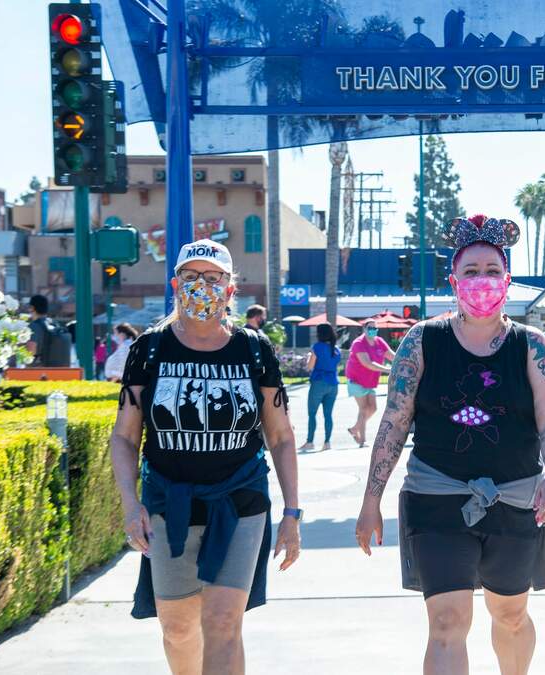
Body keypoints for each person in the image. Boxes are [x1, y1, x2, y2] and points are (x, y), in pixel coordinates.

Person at [355, 215, 545, 675]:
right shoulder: (422, 341)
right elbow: (394, 422)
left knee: (510, 615)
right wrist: (372, 500)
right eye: (471, 271)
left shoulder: (532, 346)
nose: (482, 280)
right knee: (447, 621)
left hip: (515, 498)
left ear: (507, 280)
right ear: (453, 281)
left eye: (492, 270)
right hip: (435, 496)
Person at [109, 238, 301, 674]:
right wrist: (130, 502)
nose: (202, 286)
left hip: (240, 500)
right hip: (168, 502)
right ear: (175, 285)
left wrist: (292, 512)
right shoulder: (150, 349)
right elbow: (124, 437)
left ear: (230, 289)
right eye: (192, 276)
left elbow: (281, 437)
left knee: (223, 622)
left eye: (213, 278)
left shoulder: (254, 349)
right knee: (178, 629)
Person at [344, 320, 394, 446]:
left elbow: (392, 356)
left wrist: (404, 361)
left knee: (373, 408)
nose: (373, 330)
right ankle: (362, 440)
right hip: (356, 381)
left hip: (369, 382)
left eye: (375, 328)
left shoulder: (379, 341)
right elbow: (367, 363)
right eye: (370, 328)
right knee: (364, 409)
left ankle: (355, 428)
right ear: (364, 329)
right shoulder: (358, 343)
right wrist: (388, 370)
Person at [300, 322, 343, 452]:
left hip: (319, 382)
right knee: (328, 415)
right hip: (333, 384)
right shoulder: (336, 349)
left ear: (320, 333)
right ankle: (327, 443)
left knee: (312, 414)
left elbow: (310, 367)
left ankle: (310, 442)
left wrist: (309, 357)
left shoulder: (317, 347)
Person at [25, 294, 72, 367]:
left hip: (40, 370)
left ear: (32, 308)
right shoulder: (55, 324)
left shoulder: (33, 326)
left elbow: (30, 352)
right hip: (60, 369)